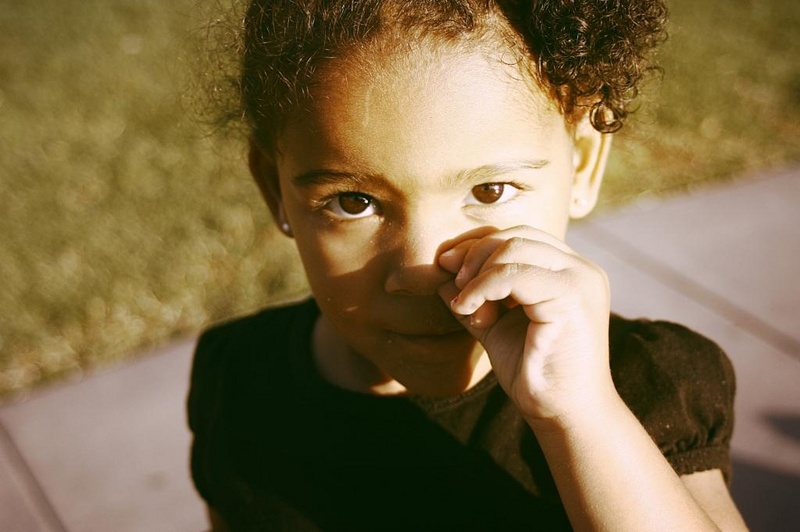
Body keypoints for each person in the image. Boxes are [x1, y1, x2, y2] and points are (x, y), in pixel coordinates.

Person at [188, 1, 749, 530]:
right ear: (275, 191)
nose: (421, 267)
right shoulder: (239, 382)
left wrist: (581, 419)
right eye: (353, 202)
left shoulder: (642, 396)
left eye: (490, 189)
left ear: (581, 164)